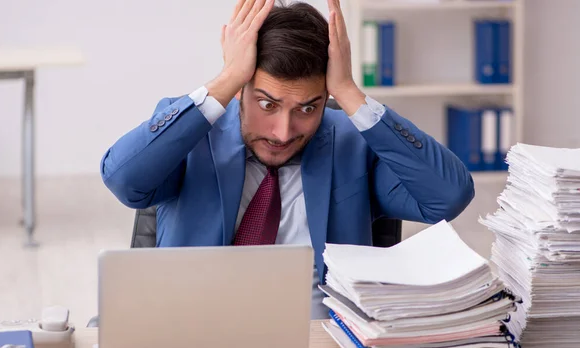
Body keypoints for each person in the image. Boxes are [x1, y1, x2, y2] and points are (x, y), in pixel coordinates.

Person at [100, 0, 475, 319]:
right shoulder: (192, 133)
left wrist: (347, 91)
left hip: (323, 347)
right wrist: (228, 76)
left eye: (307, 108)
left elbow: (447, 196)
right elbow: (123, 179)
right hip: (192, 330)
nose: (283, 132)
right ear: (241, 88)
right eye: (268, 104)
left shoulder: (351, 143)